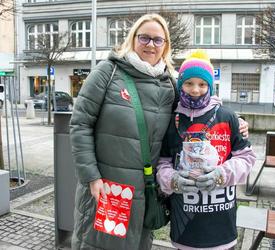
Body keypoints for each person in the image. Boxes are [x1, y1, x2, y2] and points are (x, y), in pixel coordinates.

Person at [70, 13, 249, 250]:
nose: (150, 45)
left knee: (137, 244)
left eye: (158, 40)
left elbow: (196, 102)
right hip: (109, 188)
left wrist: (232, 118)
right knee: (100, 244)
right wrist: (91, 177)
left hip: (146, 193)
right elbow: (81, 124)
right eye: (144, 38)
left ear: (165, 45)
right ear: (133, 39)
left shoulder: (168, 83)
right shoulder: (108, 72)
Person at [156, 49, 256, 250]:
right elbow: (162, 163)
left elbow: (247, 159)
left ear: (210, 85)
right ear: (180, 84)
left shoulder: (227, 117)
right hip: (185, 228)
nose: (195, 90)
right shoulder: (172, 119)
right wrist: (172, 180)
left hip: (221, 227)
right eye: (189, 83)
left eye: (202, 84)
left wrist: (221, 174)